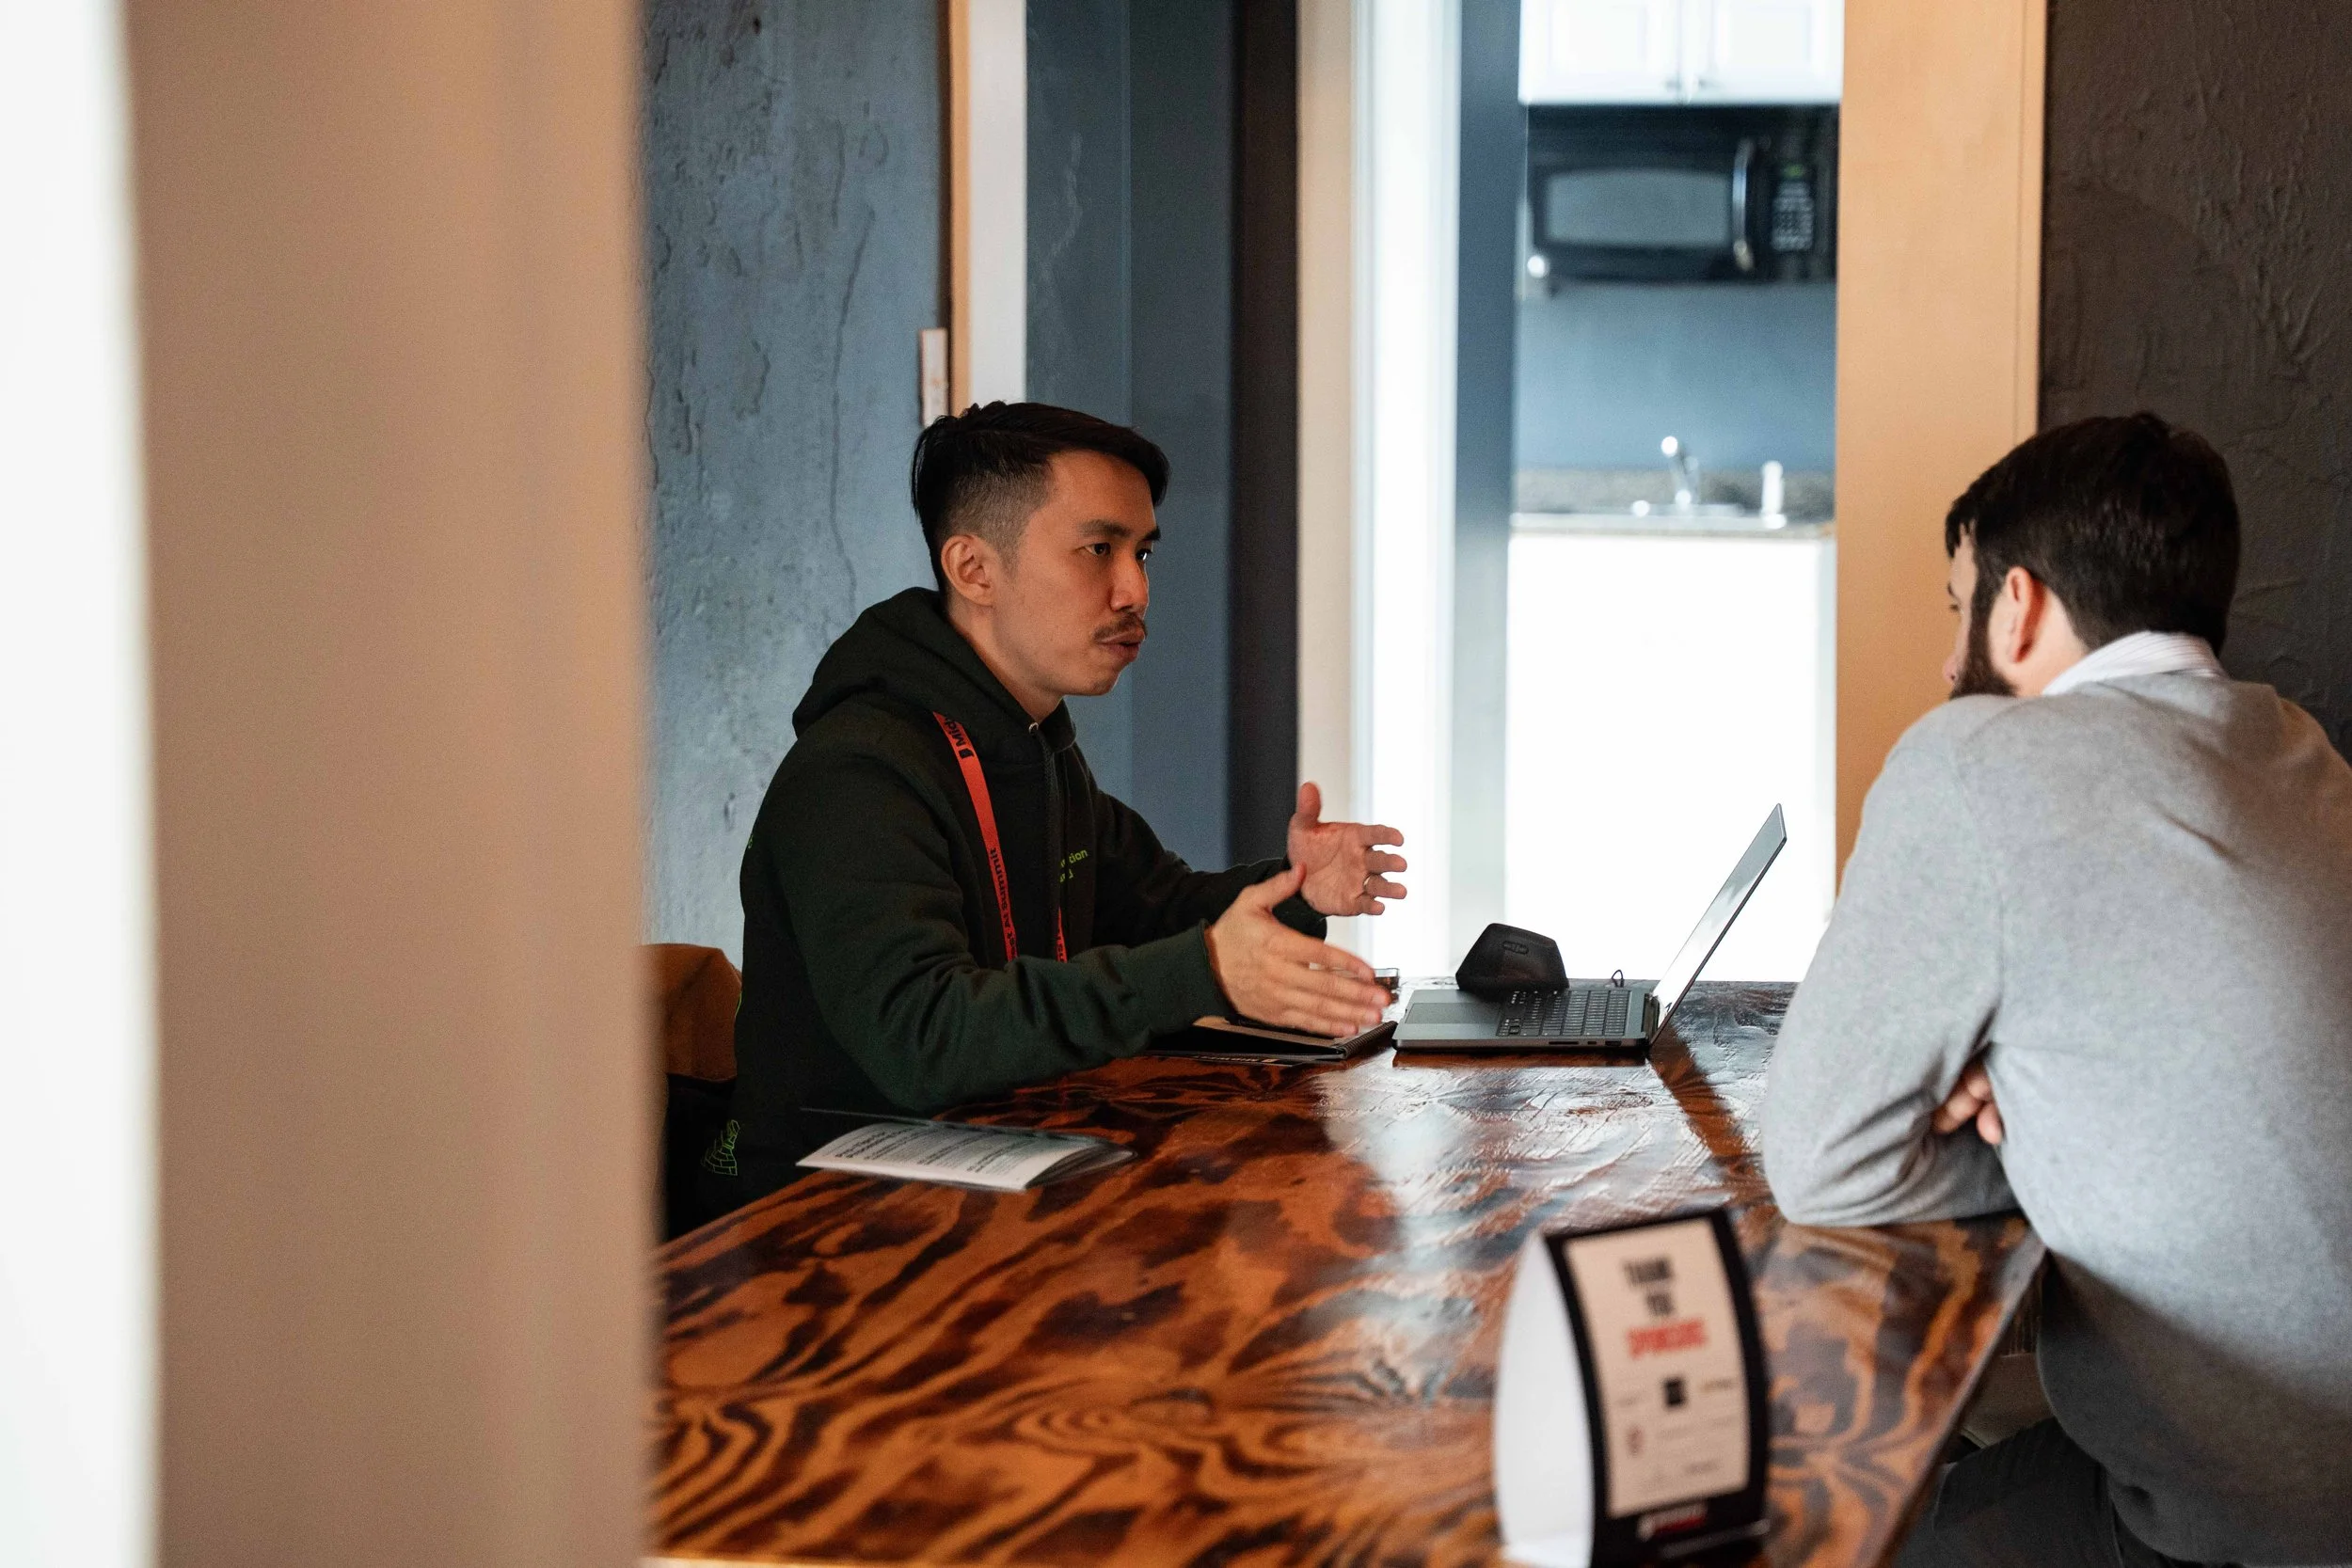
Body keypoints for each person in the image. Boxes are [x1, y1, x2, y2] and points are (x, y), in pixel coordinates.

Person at [1761, 414, 2352, 1567]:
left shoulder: (1978, 759)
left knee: (1827, 1536)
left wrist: (2007, 1121)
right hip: (2301, 1454)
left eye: (1956, 604)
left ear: (2018, 604)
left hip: (2231, 1514)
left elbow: (1820, 1155)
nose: (1948, 659)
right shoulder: (2299, 750)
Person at [703, 402, 1407, 1208]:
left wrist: (1294, 889)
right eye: (1098, 548)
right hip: (832, 1222)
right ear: (974, 569)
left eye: (1142, 552)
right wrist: (1205, 970)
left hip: (1002, 1169)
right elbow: (921, 1035)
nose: (1135, 588)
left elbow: (1157, 909)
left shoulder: (1035, 747)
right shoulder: (857, 773)